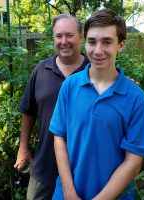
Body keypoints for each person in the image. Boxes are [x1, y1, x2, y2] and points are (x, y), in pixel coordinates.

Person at [49, 9, 144, 200]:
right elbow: (59, 138)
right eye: (92, 41)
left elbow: (134, 160)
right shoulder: (70, 86)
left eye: (107, 42)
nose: (98, 50)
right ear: (84, 41)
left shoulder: (135, 97)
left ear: (120, 45)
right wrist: (69, 192)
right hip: (67, 194)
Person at [14, 14, 90, 200]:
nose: (64, 41)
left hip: (83, 167)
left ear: (81, 36)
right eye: (59, 36)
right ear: (53, 38)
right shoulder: (41, 70)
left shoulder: (94, 71)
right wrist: (23, 147)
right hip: (45, 165)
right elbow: (28, 111)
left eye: (70, 35)